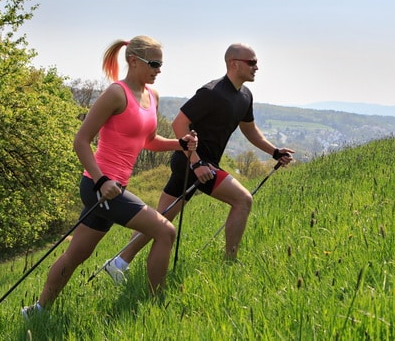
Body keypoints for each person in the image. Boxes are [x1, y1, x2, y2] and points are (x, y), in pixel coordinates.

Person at [21, 36, 198, 319]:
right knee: (165, 231)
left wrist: (180, 143)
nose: (159, 70)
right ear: (133, 61)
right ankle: (156, 306)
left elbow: (149, 140)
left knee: (77, 254)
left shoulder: (152, 96)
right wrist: (101, 180)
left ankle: (37, 311)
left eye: (161, 64)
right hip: (98, 186)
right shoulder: (116, 93)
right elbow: (81, 140)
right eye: (154, 64)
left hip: (116, 188)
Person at [101, 43, 294, 284]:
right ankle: (230, 262)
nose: (257, 67)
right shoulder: (212, 92)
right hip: (194, 164)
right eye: (251, 62)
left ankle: (119, 262)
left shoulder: (245, 96)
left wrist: (274, 151)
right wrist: (197, 163)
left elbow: (249, 130)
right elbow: (179, 124)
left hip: (198, 164)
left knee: (162, 219)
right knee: (243, 200)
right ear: (234, 64)